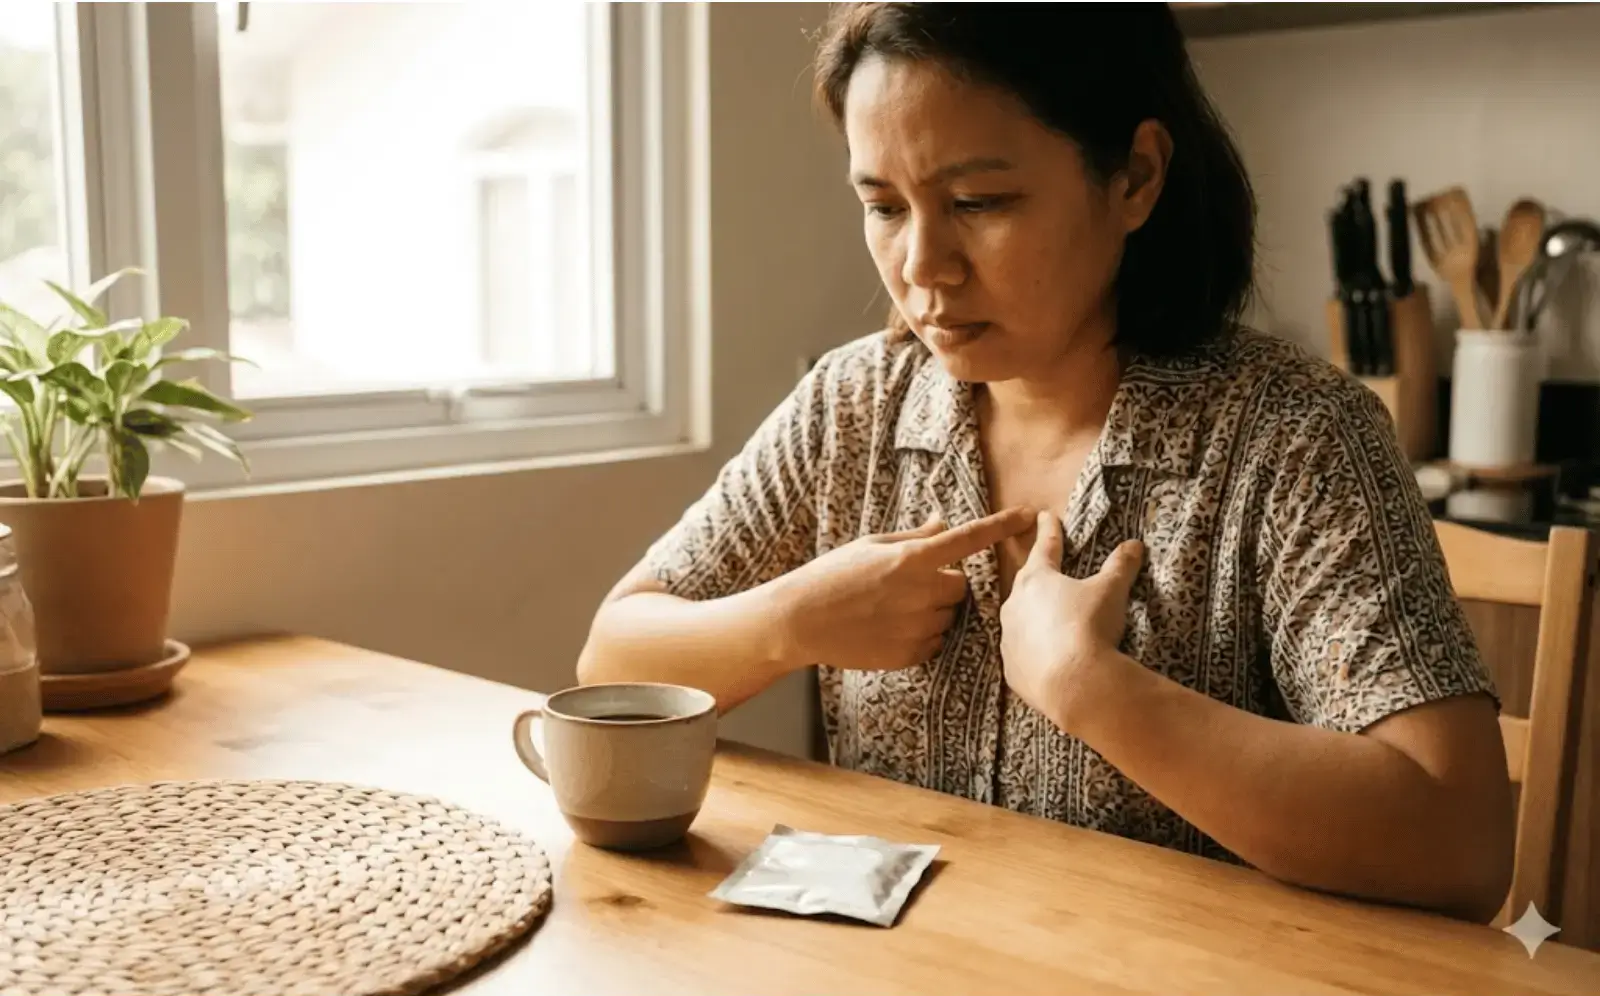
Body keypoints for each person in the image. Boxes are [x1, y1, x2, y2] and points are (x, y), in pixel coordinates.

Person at [576, 3, 1514, 923]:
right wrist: (792, 619)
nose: (923, 266)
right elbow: (615, 653)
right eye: (884, 206)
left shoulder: (1296, 435)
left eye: (979, 203)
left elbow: (1459, 839)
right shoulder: (850, 405)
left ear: (1135, 177)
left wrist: (1093, 688)